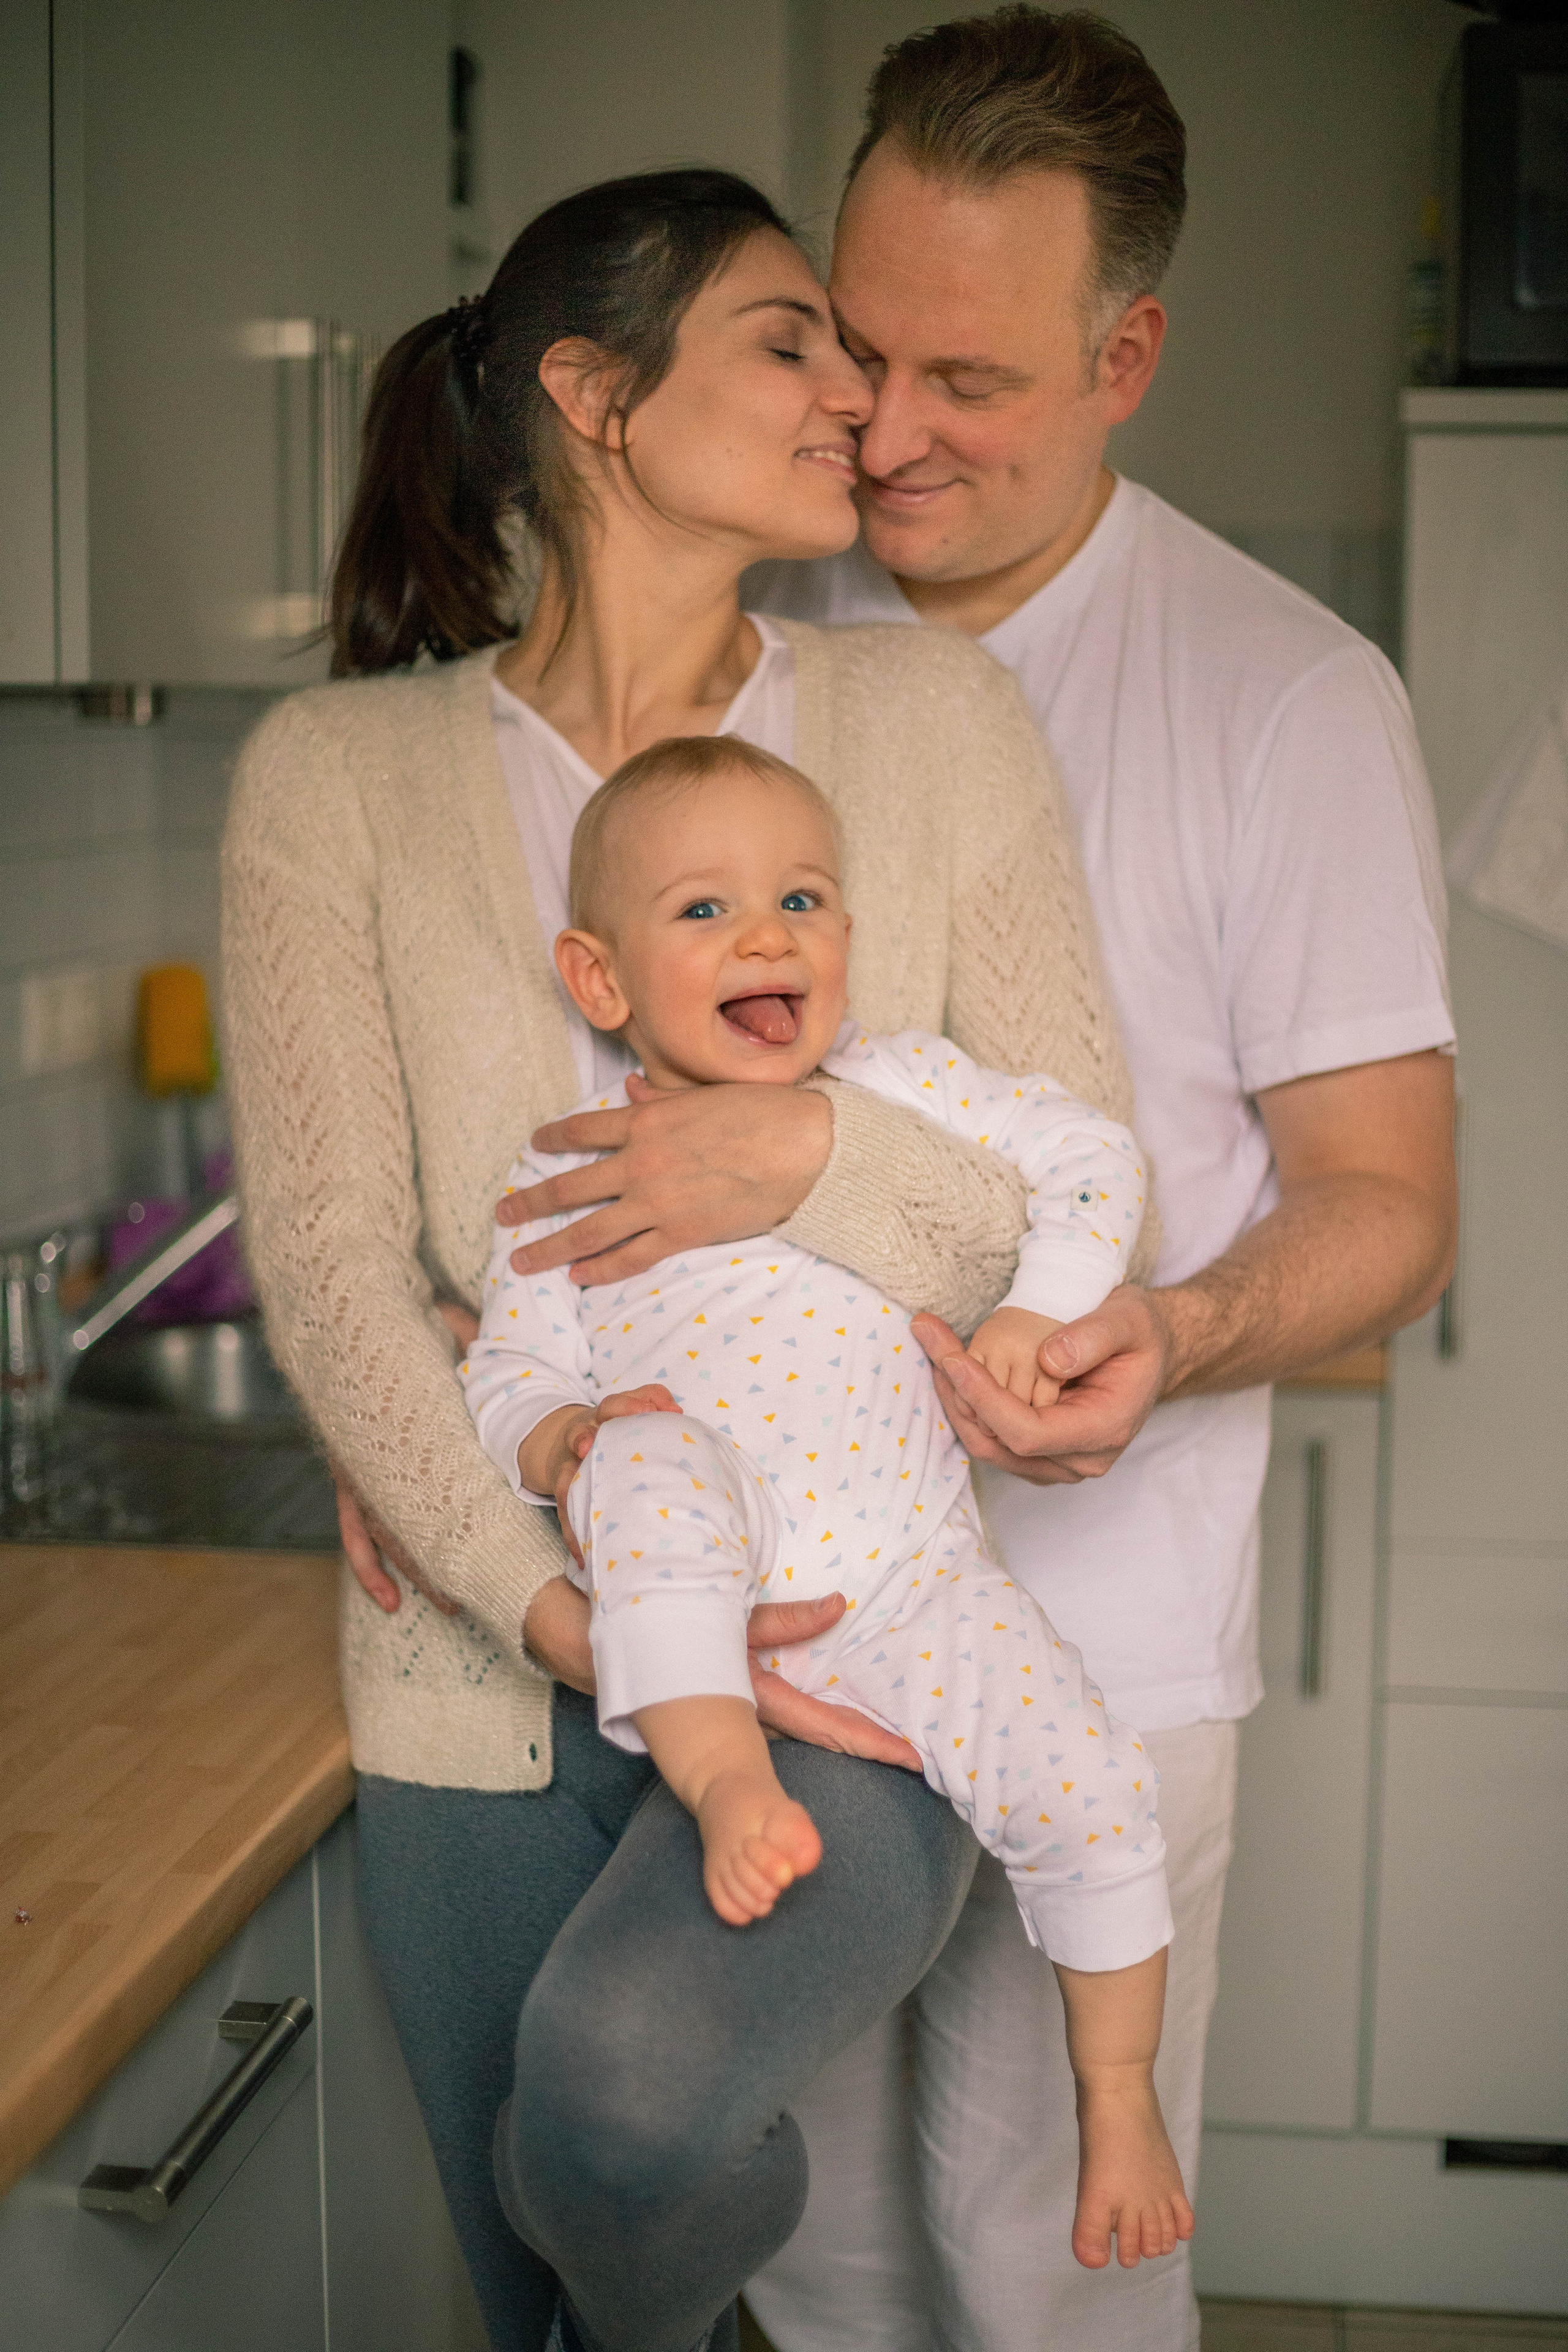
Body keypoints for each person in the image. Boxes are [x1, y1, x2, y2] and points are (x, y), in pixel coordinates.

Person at [222, 165, 1151, 2352]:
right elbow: (347, 1266)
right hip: (485, 1643)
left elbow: (1059, 1202)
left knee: (626, 2115)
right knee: (540, 2268)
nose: (861, 394)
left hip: (856, 1622)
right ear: (592, 397)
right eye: (791, 340)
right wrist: (556, 1598)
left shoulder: (937, 724)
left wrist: (800, 1154)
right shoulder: (339, 776)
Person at [739, 10, 1460, 2350]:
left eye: (972, 377)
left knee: (1050, 2284)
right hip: (793, 1655)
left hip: (1109, 1647)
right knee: (821, 2278)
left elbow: (1388, 1196)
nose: (889, 429)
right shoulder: (732, 635)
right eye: (853, 349)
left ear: (1126, 353)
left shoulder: (1282, 695)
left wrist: (1180, 1329)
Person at [462, 733, 1189, 2276]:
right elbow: (504, 1375)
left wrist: (1039, 1305)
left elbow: (1090, 1158)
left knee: (1093, 1785)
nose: (768, 935)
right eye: (705, 912)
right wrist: (566, 1434)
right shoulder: (567, 1166)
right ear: (599, 983)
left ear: (847, 936)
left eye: (801, 896)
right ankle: (725, 1773)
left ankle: (1117, 2096)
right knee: (641, 1460)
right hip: (697, 1569)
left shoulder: (901, 1087)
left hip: (915, 1581)